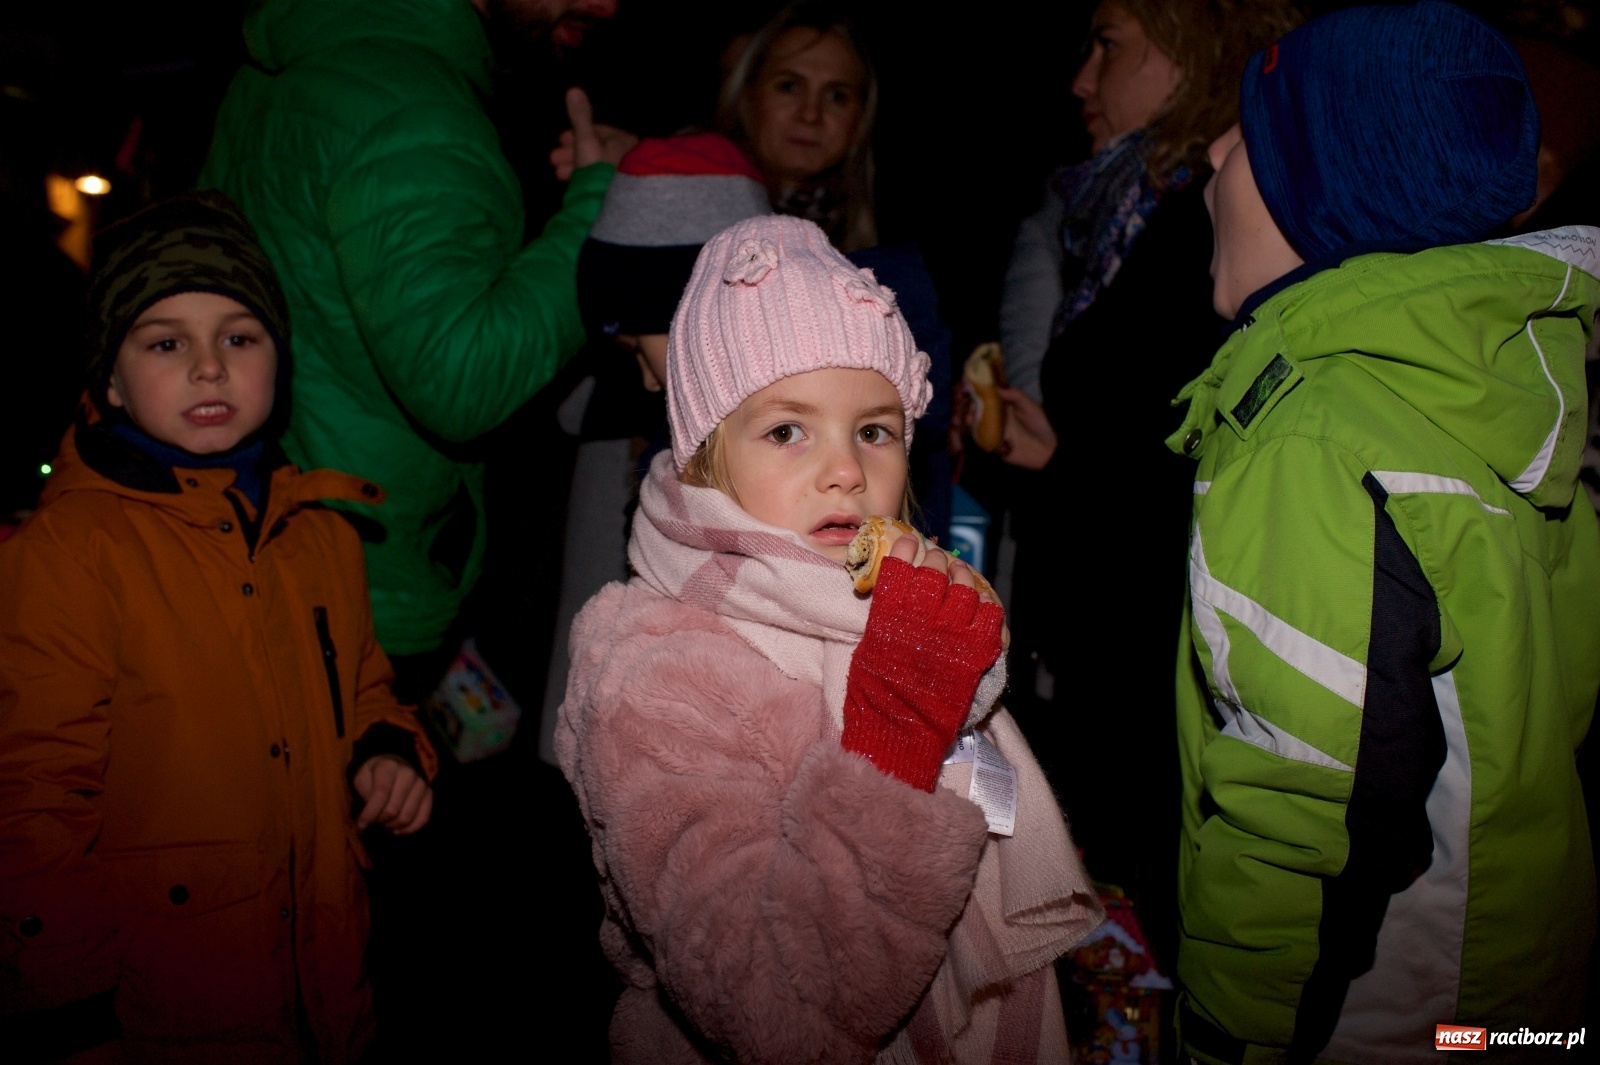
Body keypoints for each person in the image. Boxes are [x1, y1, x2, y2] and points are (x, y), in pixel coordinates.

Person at [556, 215, 1101, 1063]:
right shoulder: (655, 671)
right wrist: (900, 730)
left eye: (874, 429)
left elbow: (983, 805)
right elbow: (776, 1007)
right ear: (704, 455)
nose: (847, 467)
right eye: (787, 429)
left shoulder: (886, 596)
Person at [1165, 3, 1599, 1060]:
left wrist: (1223, 1035)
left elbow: (1299, 799)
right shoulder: (1498, 390)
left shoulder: (1317, 436)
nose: (1212, 151)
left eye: (1250, 136)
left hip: (1368, 1011)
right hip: (1510, 994)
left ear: (1325, 197)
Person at [0, 191, 437, 1064]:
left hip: (324, 982)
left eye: (240, 337)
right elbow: (31, 793)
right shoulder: (68, 551)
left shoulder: (322, 534)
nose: (209, 367)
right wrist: (69, 1008)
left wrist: (386, 750)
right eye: (166, 342)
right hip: (156, 1009)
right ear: (111, 379)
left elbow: (362, 689)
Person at [975, 0, 1300, 960]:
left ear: (1195, 44)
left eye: (1109, 43)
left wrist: (1061, 466)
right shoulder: (1124, 210)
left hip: (1151, 705)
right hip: (1102, 677)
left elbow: (1186, 490)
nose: (1081, 78)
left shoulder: (1216, 225)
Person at [199, 0, 631, 688]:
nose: (603, 4)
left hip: (248, 554)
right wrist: (602, 208)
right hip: (352, 599)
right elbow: (463, 379)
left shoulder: (294, 66)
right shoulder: (412, 106)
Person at [718, 1, 877, 251]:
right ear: (748, 98)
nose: (810, 114)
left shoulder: (889, 250)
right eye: (789, 86)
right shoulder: (679, 197)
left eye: (837, 96)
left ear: (860, 120)